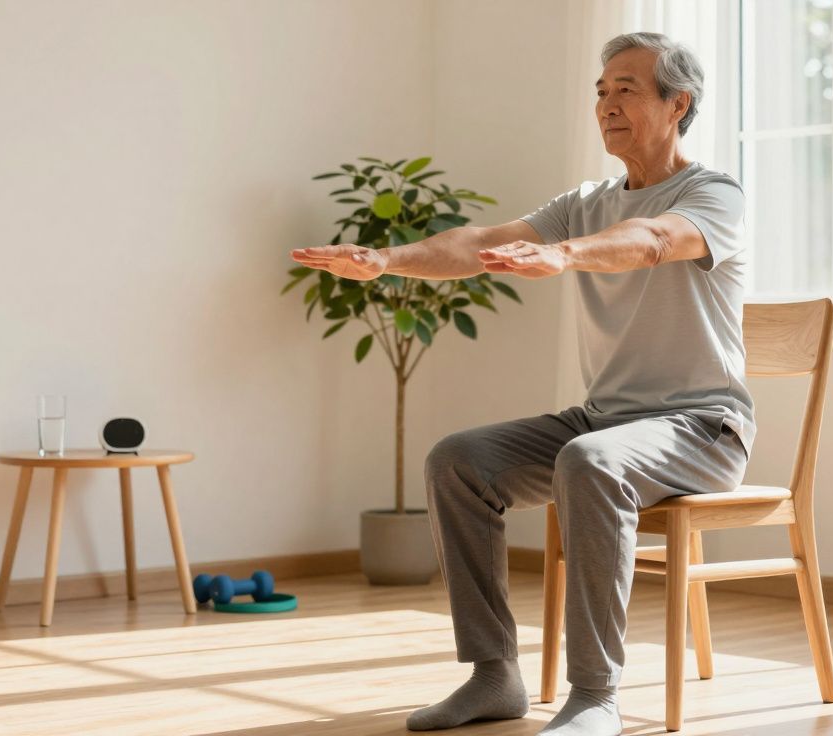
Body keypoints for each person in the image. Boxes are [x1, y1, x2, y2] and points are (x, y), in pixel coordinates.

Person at [291, 31, 753, 736]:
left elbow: (659, 241)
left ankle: (595, 694)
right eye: (600, 91)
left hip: (702, 428)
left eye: (626, 88)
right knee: (459, 462)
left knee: (590, 462)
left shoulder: (713, 193)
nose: (606, 104)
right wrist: (385, 259)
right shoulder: (585, 201)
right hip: (606, 420)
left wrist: (563, 255)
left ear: (677, 103)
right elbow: (477, 245)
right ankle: (493, 675)